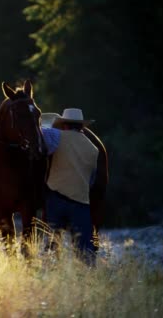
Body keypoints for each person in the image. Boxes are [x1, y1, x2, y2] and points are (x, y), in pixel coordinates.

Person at [41, 108, 99, 264]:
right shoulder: (94, 149)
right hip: (81, 203)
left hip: (56, 198)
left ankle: (51, 277)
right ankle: (88, 279)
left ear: (64, 125)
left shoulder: (57, 136)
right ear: (82, 127)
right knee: (84, 249)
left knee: (53, 244)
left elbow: (40, 135)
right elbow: (92, 179)